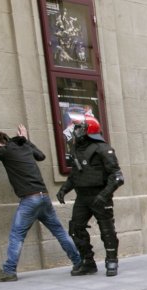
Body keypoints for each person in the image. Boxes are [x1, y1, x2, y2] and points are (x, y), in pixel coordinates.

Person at [0, 121, 82, 282]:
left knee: (17, 235)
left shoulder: (4, 150)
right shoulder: (24, 146)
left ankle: (9, 271)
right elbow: (41, 156)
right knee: (59, 232)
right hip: (44, 197)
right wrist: (26, 139)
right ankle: (78, 262)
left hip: (30, 199)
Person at [56, 114, 124, 277]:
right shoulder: (77, 148)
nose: (76, 130)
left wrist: (104, 195)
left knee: (107, 230)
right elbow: (75, 174)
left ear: (89, 130)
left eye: (80, 127)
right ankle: (88, 262)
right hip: (82, 197)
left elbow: (117, 176)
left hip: (100, 195)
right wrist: (64, 189)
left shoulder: (102, 148)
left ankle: (111, 261)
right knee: (76, 228)